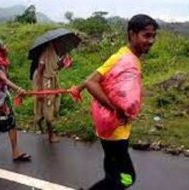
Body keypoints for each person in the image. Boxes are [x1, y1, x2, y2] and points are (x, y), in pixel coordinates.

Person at [72, 14, 159, 190]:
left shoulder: (122, 56)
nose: (151, 40)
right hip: (115, 132)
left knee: (112, 173)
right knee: (126, 179)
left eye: (153, 36)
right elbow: (92, 83)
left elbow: (93, 77)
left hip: (113, 129)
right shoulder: (126, 60)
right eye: (146, 35)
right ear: (132, 34)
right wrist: (116, 109)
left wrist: (78, 88)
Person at [32, 41, 71, 143]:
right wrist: (39, 89)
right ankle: (51, 135)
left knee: (53, 102)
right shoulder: (46, 53)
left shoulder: (55, 53)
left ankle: (40, 120)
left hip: (52, 80)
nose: (63, 45)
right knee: (48, 104)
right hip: (45, 81)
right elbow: (40, 71)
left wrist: (63, 64)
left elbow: (55, 68)